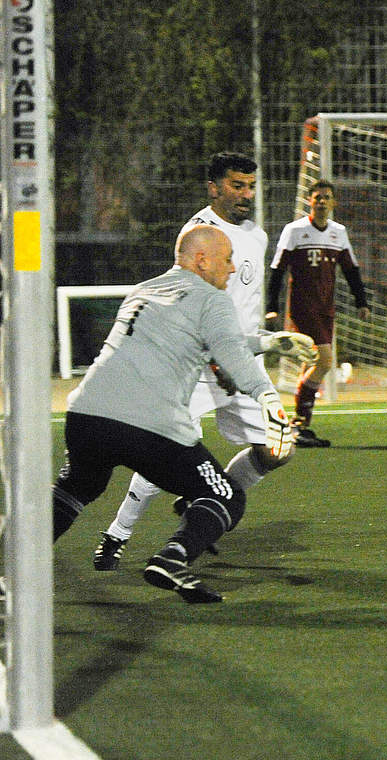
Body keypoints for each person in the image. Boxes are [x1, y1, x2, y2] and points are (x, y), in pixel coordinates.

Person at [93, 152, 316, 570]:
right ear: (213, 187)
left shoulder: (256, 235)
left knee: (277, 449)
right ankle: (116, 536)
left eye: (251, 186)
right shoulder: (199, 234)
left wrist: (260, 344)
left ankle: (207, 502)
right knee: (167, 452)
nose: (246, 195)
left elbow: (243, 307)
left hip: (242, 362)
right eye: (237, 185)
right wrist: (218, 362)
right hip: (197, 366)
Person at [54, 226, 296, 603]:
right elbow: (227, 351)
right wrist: (267, 397)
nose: (232, 269)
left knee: (76, 488)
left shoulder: (145, 289)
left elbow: (210, 339)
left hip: (87, 413)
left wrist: (267, 341)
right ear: (201, 260)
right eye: (227, 258)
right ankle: (172, 558)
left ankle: (13, 566)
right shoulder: (209, 299)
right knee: (226, 496)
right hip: (148, 424)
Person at [266, 179, 371, 447]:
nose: (321, 201)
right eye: (317, 197)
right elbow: (277, 271)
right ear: (310, 201)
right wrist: (271, 307)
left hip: (326, 308)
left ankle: (300, 427)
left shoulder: (338, 232)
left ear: (333, 202)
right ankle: (297, 422)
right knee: (324, 362)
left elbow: (351, 269)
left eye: (326, 197)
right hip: (303, 307)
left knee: (311, 364)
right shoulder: (295, 230)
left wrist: (362, 302)